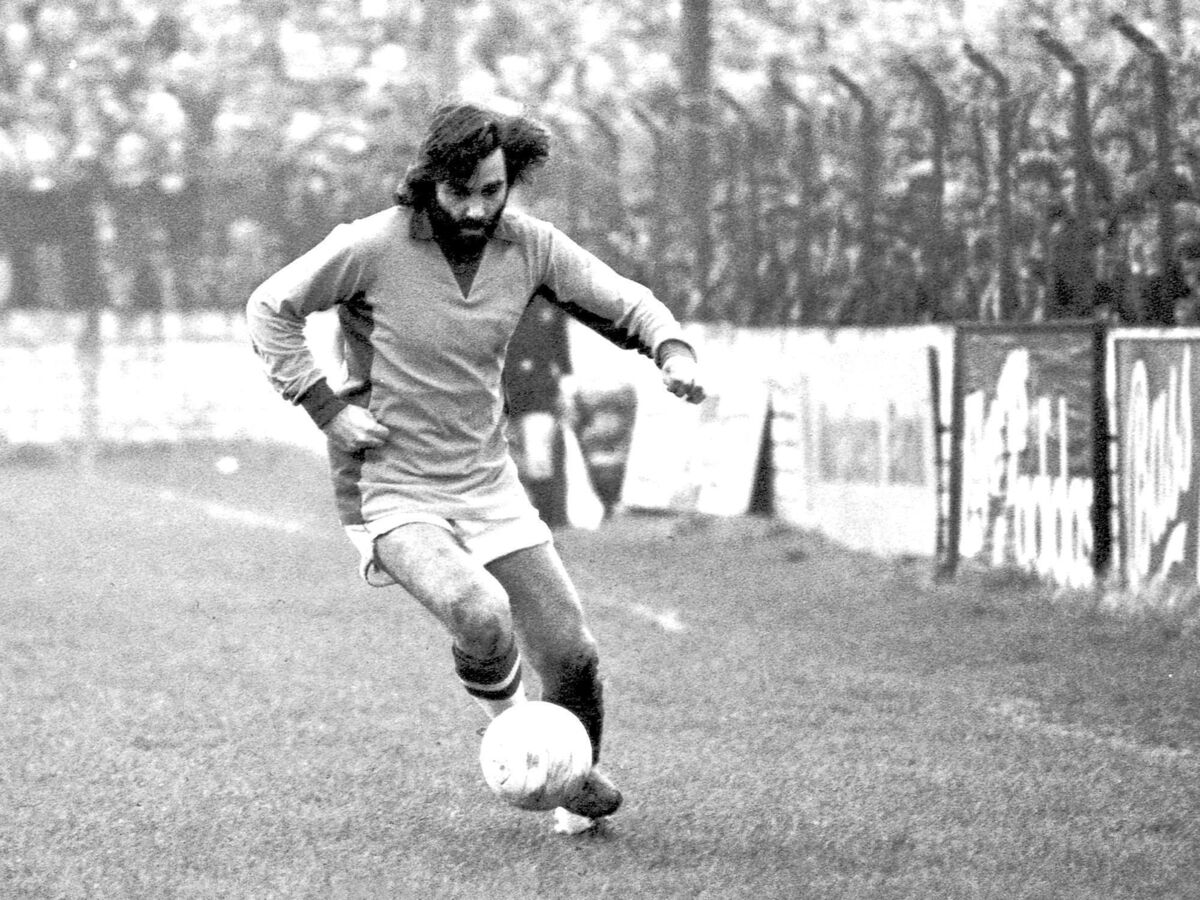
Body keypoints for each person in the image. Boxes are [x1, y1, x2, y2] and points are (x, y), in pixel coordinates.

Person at [246, 100, 706, 835]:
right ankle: (525, 742)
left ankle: (573, 812)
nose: (475, 208)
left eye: (491, 192)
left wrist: (671, 350)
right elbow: (269, 306)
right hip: (388, 485)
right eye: (459, 193)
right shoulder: (370, 245)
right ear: (428, 181)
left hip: (487, 481)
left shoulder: (529, 246)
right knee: (479, 611)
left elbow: (622, 301)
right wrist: (326, 407)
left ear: (508, 180)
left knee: (573, 654)